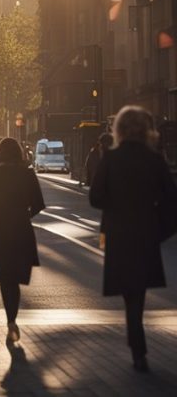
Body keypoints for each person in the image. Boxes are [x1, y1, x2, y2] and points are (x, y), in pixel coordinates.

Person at [90, 106, 177, 372]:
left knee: (130, 292)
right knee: (137, 290)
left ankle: (137, 346)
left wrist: (115, 205)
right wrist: (159, 231)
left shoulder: (111, 158)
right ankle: (137, 346)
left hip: (118, 233)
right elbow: (171, 201)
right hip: (145, 232)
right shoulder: (154, 160)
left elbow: (96, 197)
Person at [0, 138, 45, 346]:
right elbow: (38, 203)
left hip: (0, 230)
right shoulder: (27, 174)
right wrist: (24, 215)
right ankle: (13, 318)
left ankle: (10, 320)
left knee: (5, 279)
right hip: (21, 229)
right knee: (17, 278)